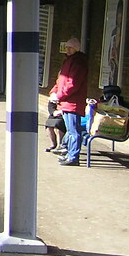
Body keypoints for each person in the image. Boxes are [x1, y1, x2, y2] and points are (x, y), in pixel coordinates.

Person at [49, 37, 88, 166]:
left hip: (72, 103)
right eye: (67, 47)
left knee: (73, 131)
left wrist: (59, 95)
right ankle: (70, 154)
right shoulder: (70, 61)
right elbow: (61, 80)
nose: (68, 50)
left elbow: (73, 84)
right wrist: (54, 92)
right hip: (67, 102)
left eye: (70, 47)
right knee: (71, 131)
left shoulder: (77, 63)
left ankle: (73, 157)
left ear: (76, 48)